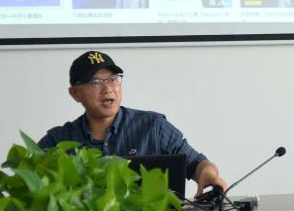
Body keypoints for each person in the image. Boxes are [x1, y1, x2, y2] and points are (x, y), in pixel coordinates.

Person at [39, 51, 227, 196]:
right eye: (96, 82)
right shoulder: (57, 141)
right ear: (75, 93)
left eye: (113, 79)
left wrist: (210, 176)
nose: (107, 89)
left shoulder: (153, 127)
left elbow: (198, 164)